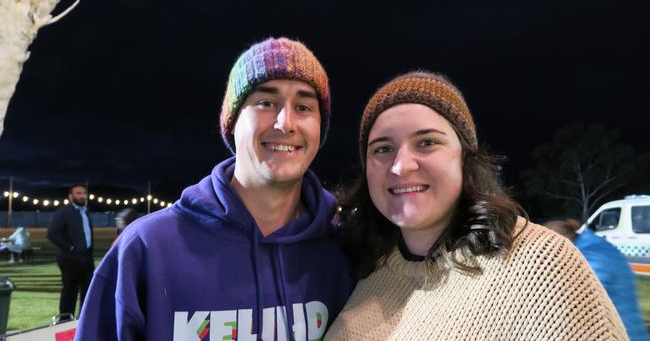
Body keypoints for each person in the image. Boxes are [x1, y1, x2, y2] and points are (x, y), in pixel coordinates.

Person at [75, 37, 354, 340]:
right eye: (265, 103)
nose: (285, 123)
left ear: (319, 128)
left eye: (303, 106)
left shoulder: (343, 249)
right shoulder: (147, 248)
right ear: (232, 121)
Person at [325, 71, 628, 340]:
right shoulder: (368, 271)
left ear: (465, 157)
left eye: (427, 142)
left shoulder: (539, 265)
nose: (401, 166)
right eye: (383, 149)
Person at [545, 218, 649, 341]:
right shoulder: (594, 248)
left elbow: (579, 296)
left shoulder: (594, 256)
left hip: (624, 334)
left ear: (562, 241)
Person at [47, 184, 94, 316]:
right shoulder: (63, 212)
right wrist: (70, 247)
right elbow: (52, 234)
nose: (82, 196)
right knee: (70, 292)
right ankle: (65, 321)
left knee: (88, 291)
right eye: (78, 193)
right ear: (70, 196)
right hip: (69, 259)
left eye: (84, 193)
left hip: (86, 259)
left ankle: (84, 321)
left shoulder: (86, 211)